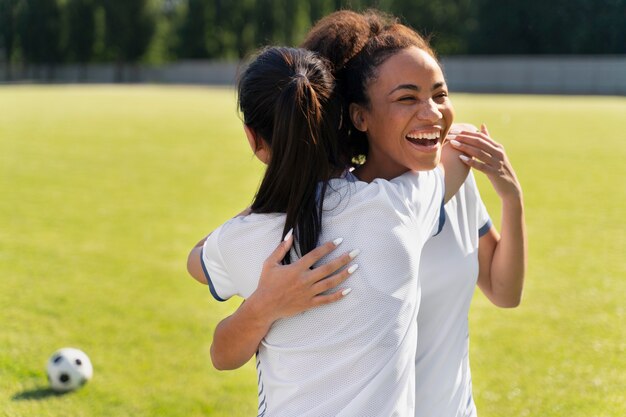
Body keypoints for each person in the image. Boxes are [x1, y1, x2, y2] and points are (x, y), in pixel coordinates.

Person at [200, 9, 526, 417]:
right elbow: (225, 343)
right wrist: (265, 301)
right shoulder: (340, 214)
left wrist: (512, 200)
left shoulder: (449, 179)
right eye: (407, 97)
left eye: (440, 94)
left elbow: (504, 290)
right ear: (359, 115)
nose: (431, 111)